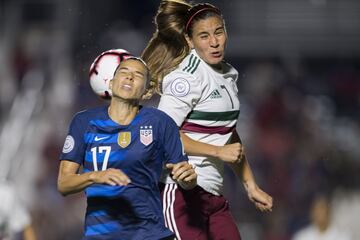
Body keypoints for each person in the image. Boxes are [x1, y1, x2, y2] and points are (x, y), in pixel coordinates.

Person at [141, 1, 273, 239]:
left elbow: (226, 133)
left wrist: (250, 185)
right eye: (204, 36)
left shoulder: (228, 75)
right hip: (179, 192)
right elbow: (162, 134)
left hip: (212, 195)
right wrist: (218, 152)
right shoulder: (186, 78)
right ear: (190, 41)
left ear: (226, 33)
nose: (214, 42)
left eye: (218, 32)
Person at [57, 55, 197, 240]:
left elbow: (184, 177)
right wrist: (95, 176)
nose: (130, 77)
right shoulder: (84, 122)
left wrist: (189, 179)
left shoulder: (160, 122)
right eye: (124, 72)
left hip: (149, 234)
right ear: (111, 83)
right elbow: (63, 184)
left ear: (145, 91)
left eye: (138, 75)